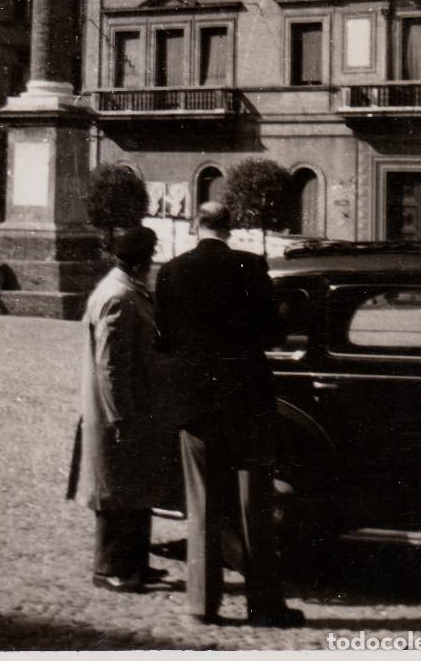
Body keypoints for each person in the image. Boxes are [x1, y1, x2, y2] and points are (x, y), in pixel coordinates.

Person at [154, 201, 305, 628]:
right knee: (254, 505)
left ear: (195, 225)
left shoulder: (171, 271)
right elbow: (274, 334)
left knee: (202, 507)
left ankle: (202, 604)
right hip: (246, 400)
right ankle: (264, 605)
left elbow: (163, 341)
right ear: (230, 226)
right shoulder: (251, 266)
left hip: (196, 404)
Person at [74, 225, 167, 592]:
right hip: (119, 412)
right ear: (141, 261)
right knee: (113, 489)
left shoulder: (127, 289)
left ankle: (135, 563)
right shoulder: (117, 296)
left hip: (135, 406)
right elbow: (110, 365)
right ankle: (109, 568)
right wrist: (120, 415)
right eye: (150, 257)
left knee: (135, 485)